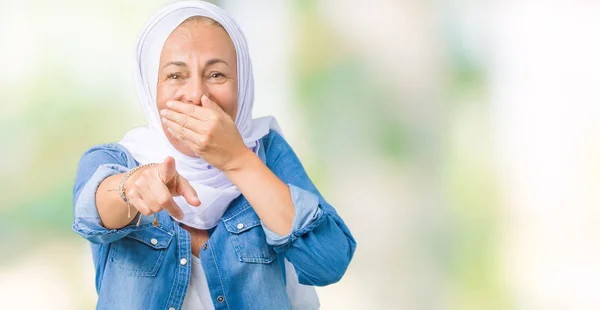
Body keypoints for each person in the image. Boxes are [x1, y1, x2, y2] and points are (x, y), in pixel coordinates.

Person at [72, 1, 356, 309]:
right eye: (175, 76)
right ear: (149, 87)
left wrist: (236, 159)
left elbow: (329, 261)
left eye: (217, 74)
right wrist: (132, 187)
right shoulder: (116, 160)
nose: (197, 94)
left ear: (242, 83)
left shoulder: (266, 154)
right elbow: (92, 211)